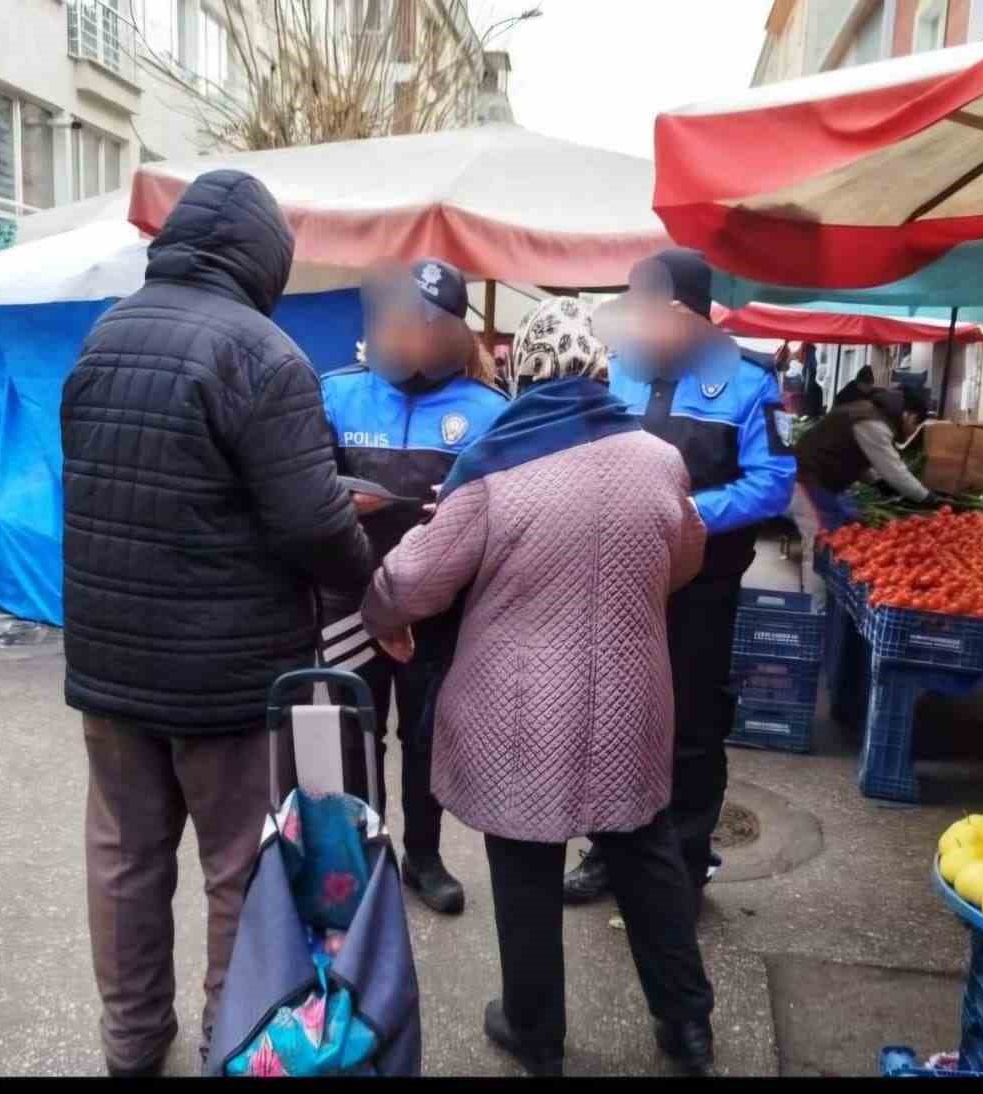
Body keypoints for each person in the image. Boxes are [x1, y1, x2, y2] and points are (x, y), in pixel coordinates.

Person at [60, 169, 372, 1078]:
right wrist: (369, 583)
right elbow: (314, 523)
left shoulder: (104, 336)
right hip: (226, 678)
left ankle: (130, 1044)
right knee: (238, 869)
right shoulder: (262, 354)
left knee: (124, 859)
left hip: (111, 667)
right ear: (263, 260)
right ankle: (224, 1043)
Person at [362, 298, 716, 1077]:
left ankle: (536, 1033)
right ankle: (686, 1025)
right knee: (646, 857)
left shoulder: (495, 464)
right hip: (632, 702)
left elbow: (417, 577)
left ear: (523, 372)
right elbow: (685, 557)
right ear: (598, 368)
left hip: (519, 712)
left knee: (525, 870)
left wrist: (380, 607)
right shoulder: (657, 459)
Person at [567, 248, 798, 908]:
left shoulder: (750, 381)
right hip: (617, 584)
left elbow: (773, 483)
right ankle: (607, 856)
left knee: (692, 729)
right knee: (611, 721)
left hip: (701, 588)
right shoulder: (618, 374)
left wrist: (687, 513)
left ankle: (686, 866)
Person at [318, 258, 508, 915]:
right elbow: (303, 491)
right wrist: (342, 506)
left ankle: (424, 858)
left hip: (438, 607)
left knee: (426, 735)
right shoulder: (337, 392)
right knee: (352, 731)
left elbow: (506, 511)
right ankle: (365, 858)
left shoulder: (490, 410)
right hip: (349, 601)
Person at [790, 385, 935, 600]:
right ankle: (817, 606)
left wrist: (876, 482)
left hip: (817, 480)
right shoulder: (873, 422)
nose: (913, 432)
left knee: (840, 530)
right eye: (916, 424)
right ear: (908, 415)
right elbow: (894, 470)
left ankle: (825, 601)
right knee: (822, 543)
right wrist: (926, 498)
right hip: (808, 481)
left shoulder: (869, 413)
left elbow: (851, 455)